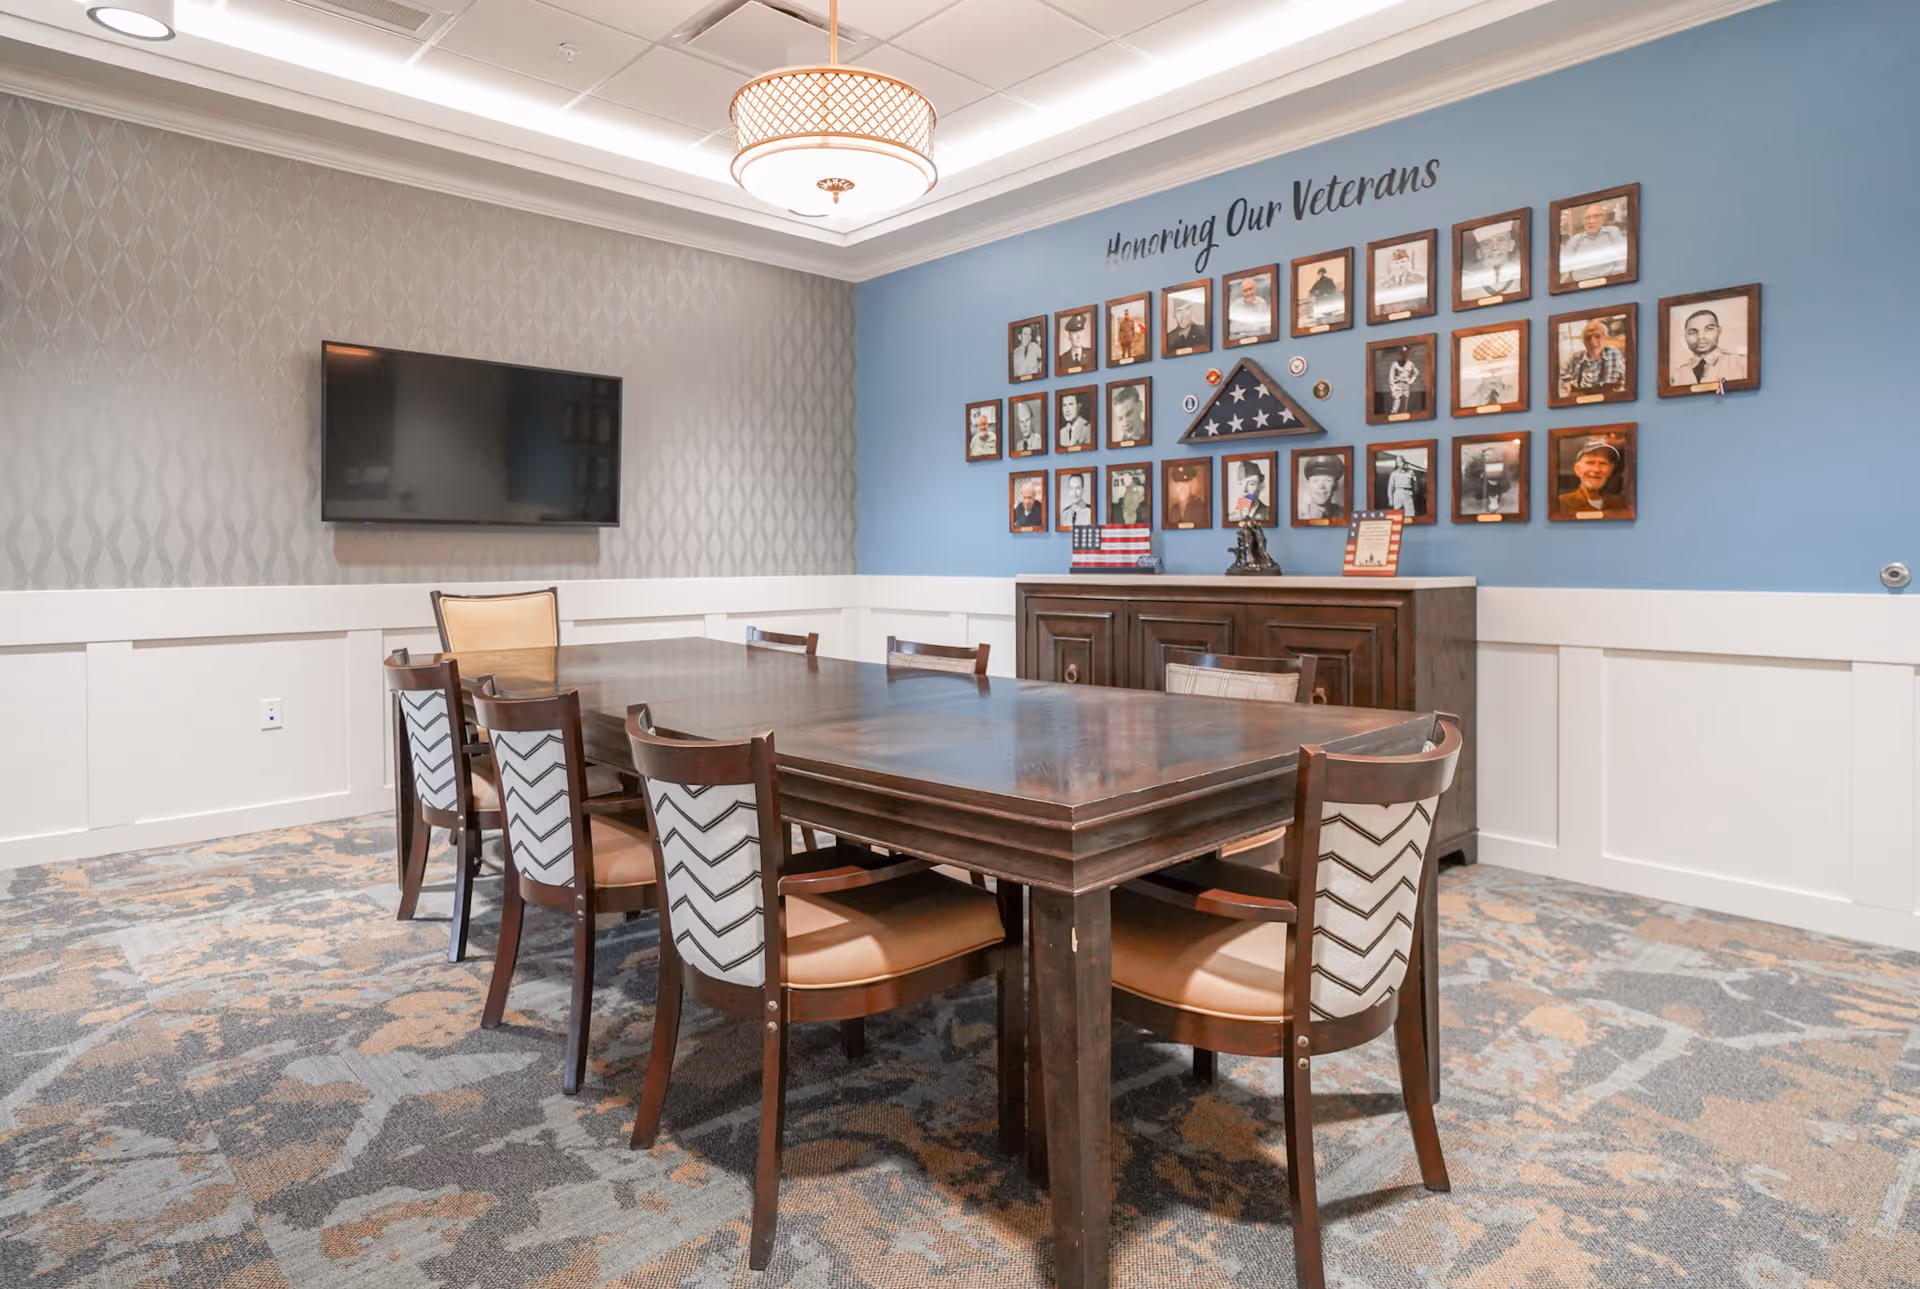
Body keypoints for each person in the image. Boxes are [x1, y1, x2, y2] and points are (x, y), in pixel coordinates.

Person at [1669, 307, 1748, 385]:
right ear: (1685, 336)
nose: (1700, 336)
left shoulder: (1741, 364)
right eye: (1692, 332)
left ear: (1719, 331)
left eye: (1709, 329)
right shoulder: (1678, 374)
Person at [1557, 438, 1626, 515]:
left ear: (1609, 471)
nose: (1596, 470)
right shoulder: (1561, 503)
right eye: (1590, 463)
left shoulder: (1619, 503)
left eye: (1603, 463)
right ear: (1577, 469)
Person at [1561, 202, 1627, 280]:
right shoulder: (1575, 240)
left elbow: (1623, 257)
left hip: (1609, 282)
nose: (1591, 221)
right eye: (1587, 217)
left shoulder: (1613, 232)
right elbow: (1565, 264)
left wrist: (1617, 274)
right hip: (1581, 285)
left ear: (1603, 218)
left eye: (1596, 216)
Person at [1562, 317, 1626, 394]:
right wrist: (1567, 387)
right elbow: (1562, 380)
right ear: (1583, 341)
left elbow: (1626, 380)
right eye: (1588, 338)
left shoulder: (1614, 354)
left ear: (1605, 338)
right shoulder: (1576, 358)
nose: (1593, 342)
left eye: (1597, 337)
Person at [1463, 221, 1520, 300]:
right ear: (1479, 253)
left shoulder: (1521, 276)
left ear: (1511, 245)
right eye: (1487, 243)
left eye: (1501, 240)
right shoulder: (1466, 285)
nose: (1495, 248)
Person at [1461, 445, 1516, 514]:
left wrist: (1495, 479)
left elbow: (1503, 475)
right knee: (1483, 492)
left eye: (1489, 454)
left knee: (1492, 487)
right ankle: (1493, 501)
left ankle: (1494, 503)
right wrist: (1481, 474)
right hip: (1483, 482)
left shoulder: (1497, 463)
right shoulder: (1479, 463)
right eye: (1486, 454)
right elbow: (1472, 473)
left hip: (1495, 482)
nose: (1487, 456)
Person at [1297, 455, 1345, 521]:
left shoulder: (1345, 515)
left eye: (1328, 480)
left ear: (1335, 485)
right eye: (1315, 481)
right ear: (1308, 484)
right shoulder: (1298, 516)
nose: (1321, 486)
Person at [1227, 275, 1269, 341]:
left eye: (1250, 289)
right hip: (1240, 338)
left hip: (1258, 338)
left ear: (1254, 289)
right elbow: (1232, 328)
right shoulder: (1236, 305)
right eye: (1245, 291)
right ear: (1242, 293)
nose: (1248, 293)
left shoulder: (1261, 302)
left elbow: (1265, 326)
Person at [1387, 348, 1420, 415]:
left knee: (1404, 409)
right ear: (1400, 354)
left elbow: (1416, 373)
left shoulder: (1410, 363)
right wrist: (1393, 390)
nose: (1404, 355)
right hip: (1397, 386)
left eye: (1405, 353)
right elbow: (1391, 377)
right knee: (1394, 409)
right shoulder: (1395, 364)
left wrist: (1410, 381)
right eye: (1402, 353)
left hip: (1405, 386)